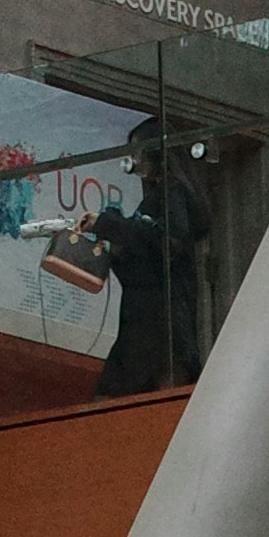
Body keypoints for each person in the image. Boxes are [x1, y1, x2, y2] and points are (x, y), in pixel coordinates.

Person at [68, 121, 209, 399]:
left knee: (127, 399)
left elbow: (170, 241)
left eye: (137, 153)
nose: (133, 162)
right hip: (147, 322)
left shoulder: (171, 191)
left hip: (157, 325)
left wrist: (110, 224)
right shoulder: (165, 196)